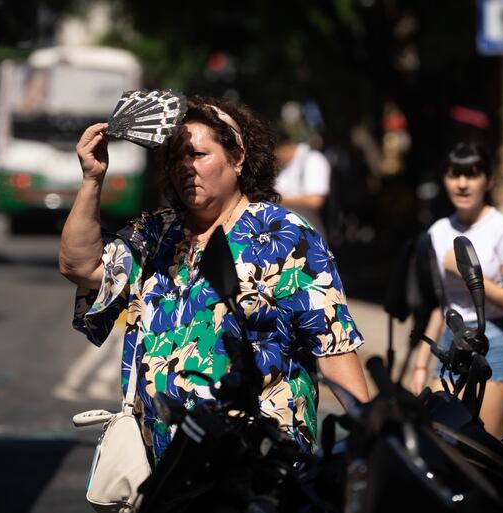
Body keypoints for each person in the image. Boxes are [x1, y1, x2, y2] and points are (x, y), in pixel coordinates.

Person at [60, 95, 369, 462]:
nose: (185, 167)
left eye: (198, 154)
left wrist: (370, 434)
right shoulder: (157, 233)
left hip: (259, 462)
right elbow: (80, 267)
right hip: (165, 466)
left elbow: (333, 346)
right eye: (176, 158)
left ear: (237, 158)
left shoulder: (285, 235)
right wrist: (92, 179)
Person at [409, 142, 503, 439]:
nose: (462, 184)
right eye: (454, 175)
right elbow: (441, 306)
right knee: (438, 443)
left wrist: (468, 275)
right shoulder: (438, 231)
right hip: (449, 344)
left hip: (492, 344)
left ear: (489, 180)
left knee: (481, 448)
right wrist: (420, 365)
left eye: (472, 175)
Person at [274, 129, 331, 237]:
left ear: (286, 146)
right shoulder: (283, 167)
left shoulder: (312, 159)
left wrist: (277, 199)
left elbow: (316, 200)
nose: (275, 159)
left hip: (307, 237)